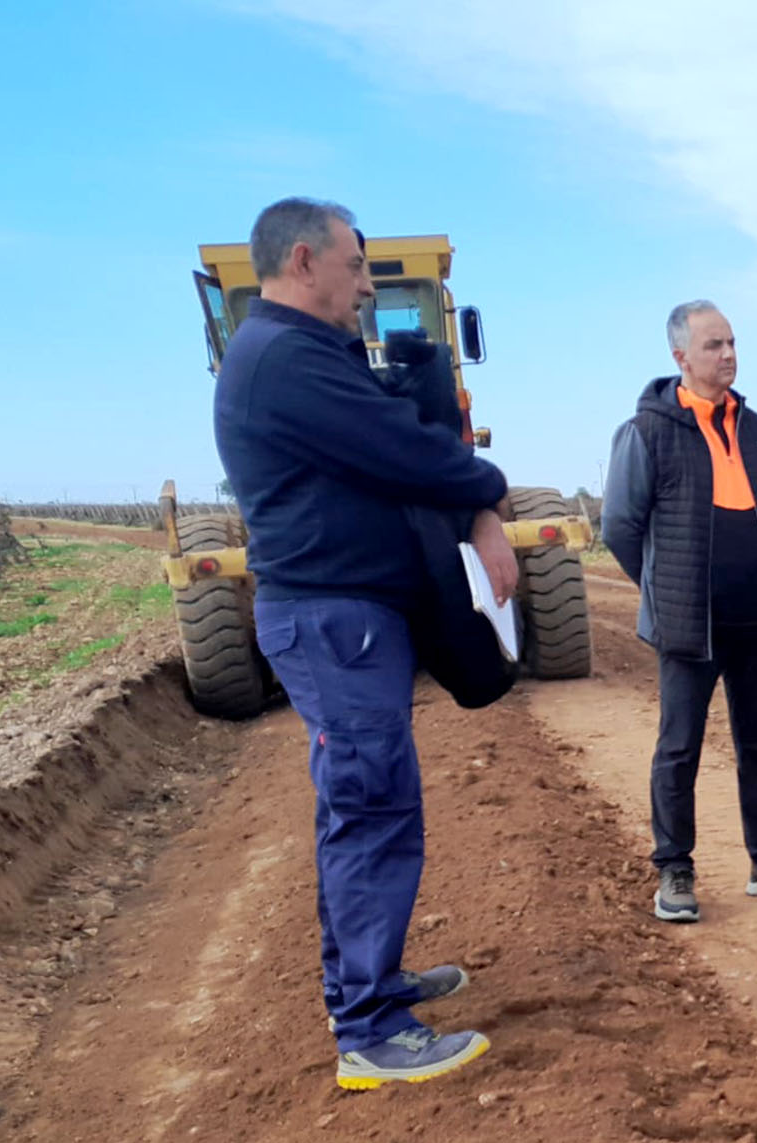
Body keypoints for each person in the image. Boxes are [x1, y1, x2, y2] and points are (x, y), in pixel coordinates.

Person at [214, 197, 518, 1088]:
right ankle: (369, 1029)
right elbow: (400, 448)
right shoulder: (284, 361)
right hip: (330, 618)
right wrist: (486, 494)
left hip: (346, 619)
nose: (362, 286)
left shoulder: (298, 353)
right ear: (304, 262)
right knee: (370, 803)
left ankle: (367, 980)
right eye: (355, 267)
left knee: (364, 802)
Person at [603, 300, 757, 923]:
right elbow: (621, 528)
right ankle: (674, 870)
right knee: (679, 749)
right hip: (690, 626)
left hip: (756, 618)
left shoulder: (756, 429)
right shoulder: (647, 431)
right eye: (713, 346)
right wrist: (662, 592)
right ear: (680, 356)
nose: (728, 355)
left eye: (731, 343)